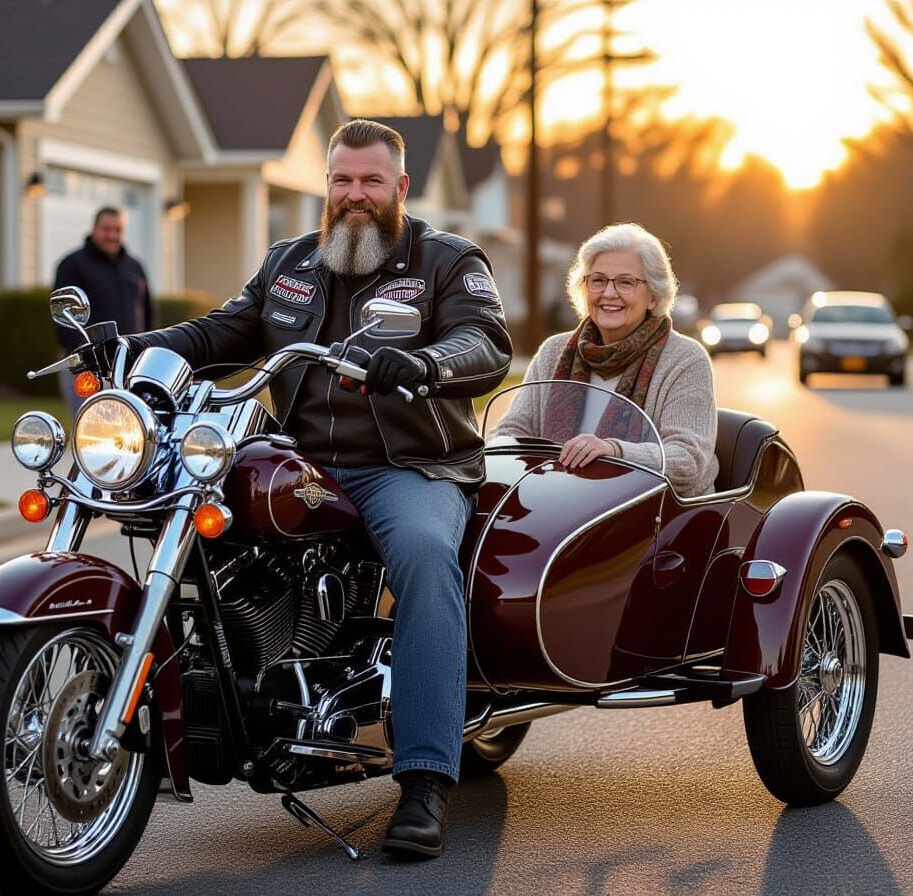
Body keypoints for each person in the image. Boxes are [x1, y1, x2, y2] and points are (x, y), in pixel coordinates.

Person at [125, 119, 512, 857]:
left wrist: (427, 364)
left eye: (370, 181)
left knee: (429, 560)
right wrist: (138, 347)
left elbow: (486, 341)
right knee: (194, 515)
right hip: (303, 462)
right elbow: (225, 332)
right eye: (341, 181)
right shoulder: (292, 263)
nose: (354, 194)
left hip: (409, 465)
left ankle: (427, 778)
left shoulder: (447, 261)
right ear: (325, 188)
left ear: (400, 187)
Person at [495, 222, 717, 497]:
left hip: (656, 517)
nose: (609, 293)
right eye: (598, 280)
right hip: (558, 503)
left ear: (653, 296)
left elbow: (687, 461)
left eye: (626, 282)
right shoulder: (554, 351)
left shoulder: (686, 359)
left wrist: (613, 451)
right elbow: (511, 431)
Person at [52, 206, 156, 416]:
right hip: (87, 369)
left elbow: (148, 313)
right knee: (91, 433)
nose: (112, 235)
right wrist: (85, 356)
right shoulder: (72, 265)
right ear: (94, 229)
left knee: (131, 432)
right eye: (106, 229)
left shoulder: (134, 267)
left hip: (130, 365)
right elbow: (63, 317)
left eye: (117, 230)